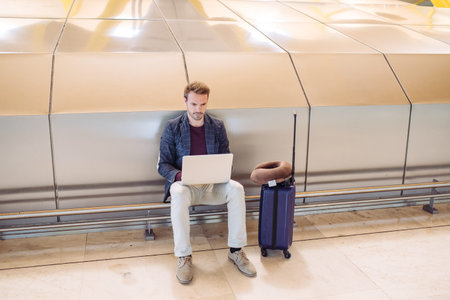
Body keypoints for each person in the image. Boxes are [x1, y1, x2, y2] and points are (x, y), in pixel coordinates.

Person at [158, 81, 256, 284]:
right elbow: (163, 164)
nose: (198, 110)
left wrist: (222, 172)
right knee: (177, 192)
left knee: (237, 189)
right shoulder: (173, 127)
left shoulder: (217, 126)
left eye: (203, 104)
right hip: (186, 187)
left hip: (213, 186)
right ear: (185, 101)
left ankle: (236, 250)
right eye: (194, 104)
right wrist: (179, 176)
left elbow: (226, 157)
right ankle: (184, 256)